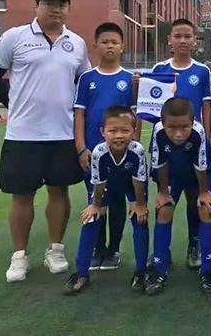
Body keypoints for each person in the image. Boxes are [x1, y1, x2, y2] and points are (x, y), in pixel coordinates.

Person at [0, 0, 90, 283]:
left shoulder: (76, 43)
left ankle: (55, 249)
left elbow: (84, 82)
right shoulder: (15, 37)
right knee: (22, 196)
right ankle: (19, 255)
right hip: (23, 135)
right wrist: (13, 103)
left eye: (61, 4)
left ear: (68, 8)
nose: (56, 9)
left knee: (59, 192)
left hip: (62, 134)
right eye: (49, 3)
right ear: (37, 5)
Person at [63, 106, 149, 295]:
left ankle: (141, 271)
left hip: (132, 185)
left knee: (140, 218)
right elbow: (99, 183)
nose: (119, 136)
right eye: (113, 131)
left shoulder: (137, 150)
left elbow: (139, 181)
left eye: (125, 130)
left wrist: (139, 204)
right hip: (108, 185)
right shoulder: (98, 152)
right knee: (91, 218)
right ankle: (81, 273)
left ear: (133, 131)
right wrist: (95, 205)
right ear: (103, 132)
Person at [74, 22, 137, 271]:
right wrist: (81, 147)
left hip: (120, 153)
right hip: (92, 152)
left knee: (118, 200)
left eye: (114, 42)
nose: (110, 46)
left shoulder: (128, 79)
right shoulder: (87, 78)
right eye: (105, 42)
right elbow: (79, 114)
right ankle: (97, 249)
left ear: (122, 47)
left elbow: (135, 116)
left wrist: (132, 145)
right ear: (96, 46)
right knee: (96, 198)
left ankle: (113, 250)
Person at [152, 19, 211, 270]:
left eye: (188, 36)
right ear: (170, 40)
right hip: (167, 144)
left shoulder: (202, 71)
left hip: (194, 143)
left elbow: (207, 106)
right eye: (178, 36)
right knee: (165, 199)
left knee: (195, 198)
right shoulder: (159, 68)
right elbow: (150, 105)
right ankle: (160, 254)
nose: (183, 40)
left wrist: (209, 136)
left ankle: (194, 243)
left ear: (195, 41)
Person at [147, 97, 211, 294]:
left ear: (193, 121)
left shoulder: (198, 131)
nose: (178, 134)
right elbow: (160, 163)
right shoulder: (157, 131)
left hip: (200, 176)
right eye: (172, 128)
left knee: (205, 209)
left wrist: (203, 192)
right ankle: (160, 268)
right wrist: (163, 192)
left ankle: (206, 270)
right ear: (163, 123)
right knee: (164, 209)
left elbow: (201, 165)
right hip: (173, 174)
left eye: (184, 127)